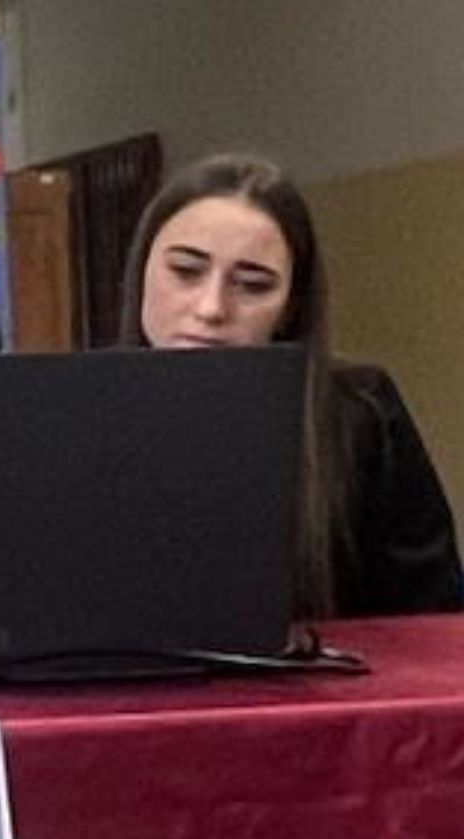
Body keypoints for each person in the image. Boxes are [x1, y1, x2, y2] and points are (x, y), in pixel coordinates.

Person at [118, 152, 463, 619]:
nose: (211, 308)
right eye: (185, 271)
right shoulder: (72, 415)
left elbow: (432, 619)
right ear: (143, 269)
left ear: (290, 305)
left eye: (253, 285)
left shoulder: (361, 413)